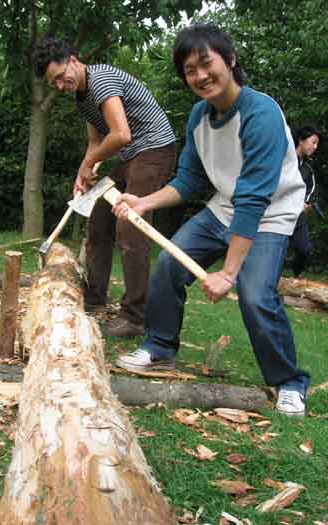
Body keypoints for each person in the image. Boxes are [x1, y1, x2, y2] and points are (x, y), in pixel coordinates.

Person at [113, 23, 311, 416]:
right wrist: (143, 202)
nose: (200, 76)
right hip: (224, 206)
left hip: (270, 214)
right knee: (169, 265)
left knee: (256, 296)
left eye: (206, 63)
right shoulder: (199, 117)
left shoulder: (262, 113)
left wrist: (229, 272)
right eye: (190, 70)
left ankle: (289, 382)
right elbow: (188, 179)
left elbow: (255, 199)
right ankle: (159, 347)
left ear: (231, 60)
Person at [32, 38, 176, 337]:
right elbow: (96, 143)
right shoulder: (81, 99)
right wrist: (83, 173)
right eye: (54, 82)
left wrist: (90, 163)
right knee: (97, 221)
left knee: (130, 227)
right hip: (130, 156)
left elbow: (121, 134)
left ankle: (135, 317)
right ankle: (95, 298)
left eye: (61, 76)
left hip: (154, 150)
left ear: (73, 59)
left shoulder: (101, 79)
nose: (60, 85)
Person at [290, 125, 321, 277]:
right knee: (277, 250)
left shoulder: (308, 168)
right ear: (301, 140)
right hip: (276, 214)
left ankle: (297, 274)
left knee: (304, 249)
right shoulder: (284, 159)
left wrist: (306, 203)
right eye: (313, 142)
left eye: (317, 144)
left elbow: (312, 189)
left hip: (298, 216)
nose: (315, 147)